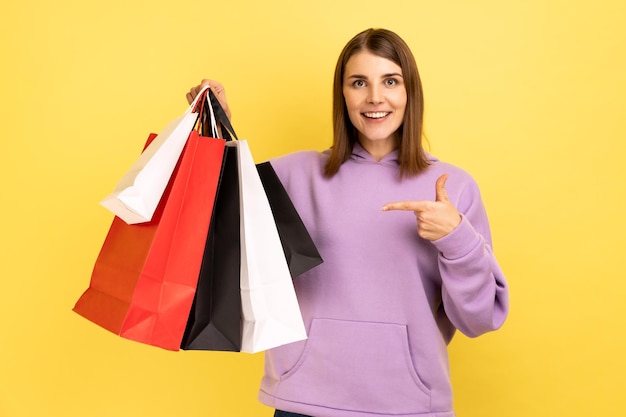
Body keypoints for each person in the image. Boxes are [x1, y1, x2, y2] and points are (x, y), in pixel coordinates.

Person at [187, 28, 509, 417]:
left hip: (408, 405)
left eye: (390, 81)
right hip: (303, 400)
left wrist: (457, 239)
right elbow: (210, 223)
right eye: (359, 82)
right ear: (343, 94)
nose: (375, 97)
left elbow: (479, 320)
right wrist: (212, 130)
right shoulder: (293, 175)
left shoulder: (453, 187)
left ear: (410, 93)